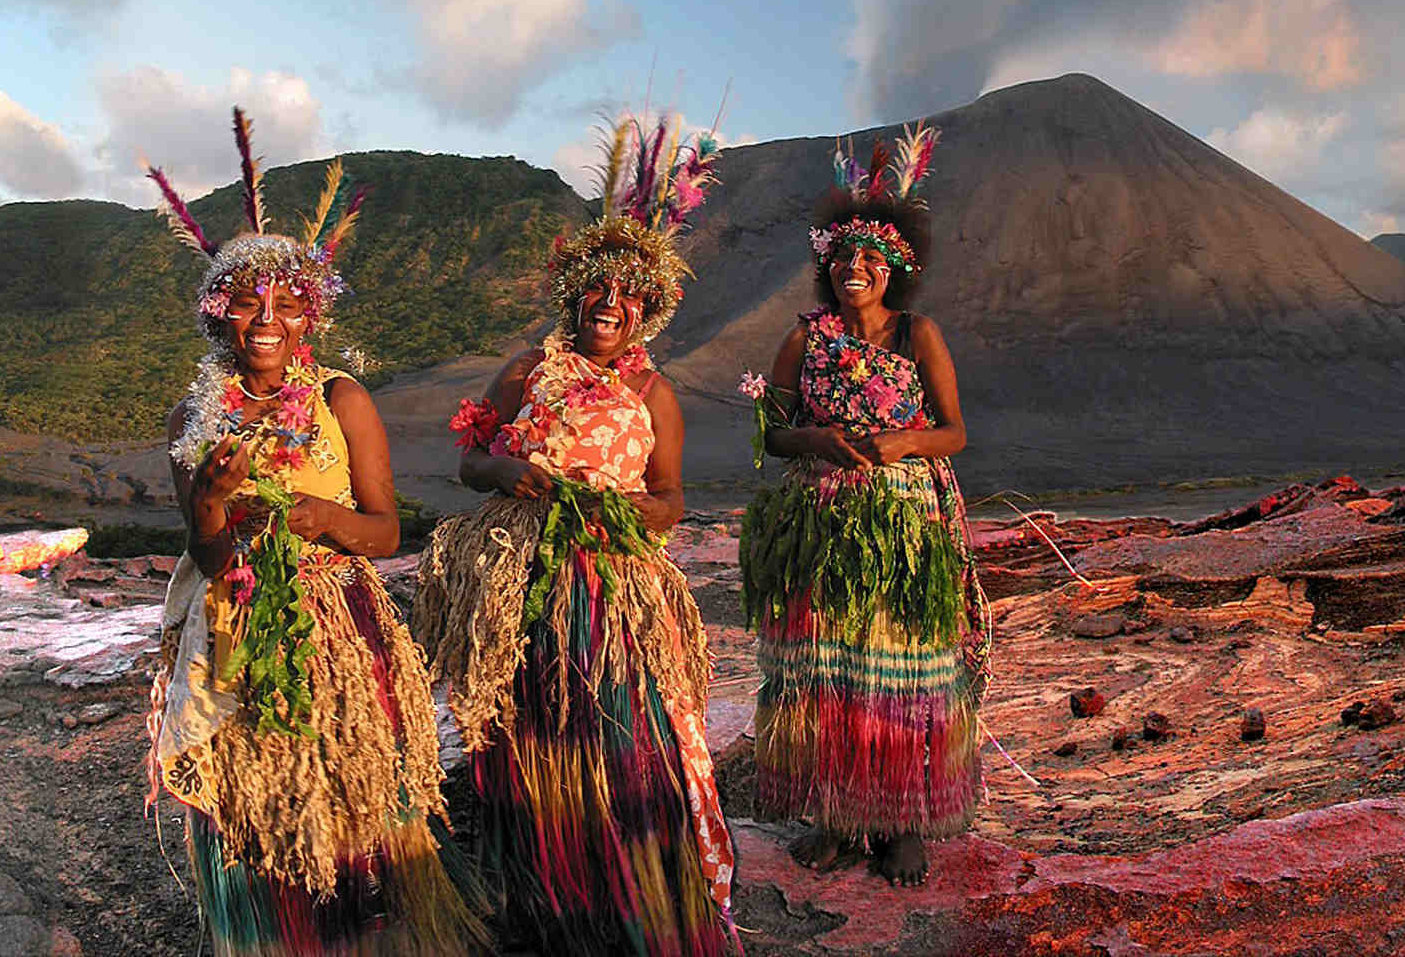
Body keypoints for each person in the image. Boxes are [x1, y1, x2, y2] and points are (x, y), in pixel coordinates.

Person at [144, 114, 483, 956]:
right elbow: (208, 557)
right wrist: (214, 505)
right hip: (234, 633)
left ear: (309, 319)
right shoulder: (196, 417)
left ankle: (366, 929)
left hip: (340, 627)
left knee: (352, 793)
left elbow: (388, 530)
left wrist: (328, 521)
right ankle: (274, 932)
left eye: (287, 304)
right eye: (247, 304)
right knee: (258, 797)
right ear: (218, 318)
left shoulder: (341, 400)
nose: (267, 318)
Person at [413, 114, 739, 954]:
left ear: (646, 312)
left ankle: (621, 891)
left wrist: (629, 516)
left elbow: (668, 497)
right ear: (575, 296)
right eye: (596, 290)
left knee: (619, 734)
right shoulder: (527, 368)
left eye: (627, 296)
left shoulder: (656, 392)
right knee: (526, 727)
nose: (609, 305)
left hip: (611, 585)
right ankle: (539, 894)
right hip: (522, 574)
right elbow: (471, 460)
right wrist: (505, 473)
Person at [739, 124, 989, 888]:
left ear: (895, 271)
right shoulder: (802, 339)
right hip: (819, 519)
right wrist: (815, 442)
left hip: (903, 521)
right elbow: (771, 435)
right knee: (828, 665)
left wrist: (902, 445)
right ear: (828, 267)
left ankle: (904, 820)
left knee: (903, 665)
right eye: (844, 257)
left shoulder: (919, 335)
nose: (856, 269)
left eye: (872, 260)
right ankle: (840, 816)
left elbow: (955, 431)